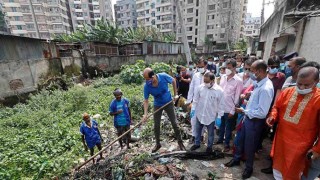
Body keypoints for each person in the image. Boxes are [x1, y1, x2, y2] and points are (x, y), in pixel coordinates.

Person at [266, 66, 320, 180]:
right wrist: (273, 116)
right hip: (281, 141)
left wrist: (317, 149)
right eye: (299, 84)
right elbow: (277, 107)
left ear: (316, 82)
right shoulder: (287, 91)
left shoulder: (318, 99)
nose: (301, 87)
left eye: (306, 85)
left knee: (293, 173)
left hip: (300, 147)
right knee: (278, 169)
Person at [225, 60, 274, 179]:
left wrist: (243, 111)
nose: (249, 73)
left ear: (260, 71)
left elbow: (262, 113)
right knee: (239, 140)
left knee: (250, 146)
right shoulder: (259, 84)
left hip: (255, 121)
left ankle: (249, 168)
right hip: (247, 118)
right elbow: (257, 103)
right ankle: (236, 159)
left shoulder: (265, 88)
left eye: (252, 71)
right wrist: (250, 96)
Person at [142, 68, 186, 152]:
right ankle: (158, 144)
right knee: (156, 125)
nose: (147, 81)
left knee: (174, 123)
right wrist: (145, 114)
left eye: (148, 79)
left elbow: (173, 80)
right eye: (145, 79)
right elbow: (146, 100)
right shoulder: (147, 86)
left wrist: (175, 94)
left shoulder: (163, 76)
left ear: (153, 76)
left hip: (168, 102)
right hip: (157, 105)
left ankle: (180, 142)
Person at [190, 72, 224, 153]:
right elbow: (195, 100)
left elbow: (221, 105)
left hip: (210, 116)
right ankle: (197, 143)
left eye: (207, 81)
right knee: (198, 130)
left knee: (211, 133)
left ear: (213, 80)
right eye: (204, 81)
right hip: (200, 113)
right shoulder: (200, 87)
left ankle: (209, 147)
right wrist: (193, 109)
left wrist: (219, 117)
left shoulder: (219, 91)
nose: (205, 83)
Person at [217, 59, 243, 152]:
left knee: (228, 128)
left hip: (230, 108)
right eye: (226, 67)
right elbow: (219, 91)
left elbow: (237, 98)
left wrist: (233, 110)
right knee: (221, 125)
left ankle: (226, 144)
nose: (227, 69)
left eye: (229, 68)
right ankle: (220, 140)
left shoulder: (238, 81)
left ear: (234, 68)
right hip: (221, 107)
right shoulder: (223, 77)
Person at [186, 59, 209, 143]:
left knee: (202, 119)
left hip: (205, 102)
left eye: (202, 67)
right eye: (199, 67)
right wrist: (189, 101)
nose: (200, 68)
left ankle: (201, 135)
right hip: (195, 102)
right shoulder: (196, 75)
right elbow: (191, 88)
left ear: (206, 66)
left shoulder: (209, 75)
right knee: (193, 119)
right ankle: (194, 135)